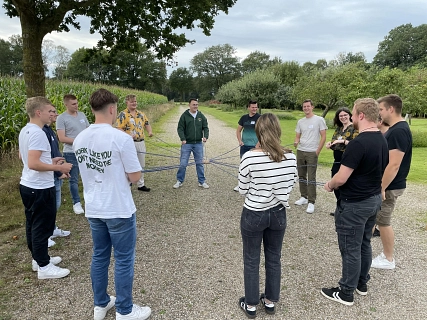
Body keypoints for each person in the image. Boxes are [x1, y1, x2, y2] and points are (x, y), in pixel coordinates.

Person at [73, 89, 151, 320]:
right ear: (112, 109)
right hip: (118, 208)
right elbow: (136, 177)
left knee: (100, 256)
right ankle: (125, 310)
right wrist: (127, 175)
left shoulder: (80, 139)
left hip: (94, 209)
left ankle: (101, 303)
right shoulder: (121, 138)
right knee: (124, 258)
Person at [321, 98, 388, 306]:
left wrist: (330, 185)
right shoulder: (381, 139)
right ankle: (361, 282)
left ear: (360, 115)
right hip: (373, 199)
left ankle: (346, 292)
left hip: (355, 203)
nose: (350, 116)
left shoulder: (358, 143)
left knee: (351, 248)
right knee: (364, 243)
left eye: (352, 113)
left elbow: (341, 178)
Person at [238, 113, 297, 318]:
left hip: (254, 213)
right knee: (274, 258)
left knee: (252, 259)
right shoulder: (291, 157)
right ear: (278, 130)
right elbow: (291, 183)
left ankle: (252, 304)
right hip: (278, 214)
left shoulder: (249, 157)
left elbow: (243, 188)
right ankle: (270, 301)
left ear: (258, 132)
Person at [19, 96, 72, 279]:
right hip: (39, 187)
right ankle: (44, 266)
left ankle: (38, 258)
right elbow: (33, 163)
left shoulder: (26, 130)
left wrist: (50, 161)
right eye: (49, 111)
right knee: (42, 226)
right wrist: (59, 167)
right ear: (38, 112)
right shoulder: (38, 133)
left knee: (33, 225)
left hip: (28, 184)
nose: (53, 115)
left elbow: (26, 159)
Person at [371, 94, 412, 270]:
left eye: (381, 109)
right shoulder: (395, 129)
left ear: (391, 109)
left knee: (383, 222)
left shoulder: (399, 130)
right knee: (378, 218)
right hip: (389, 184)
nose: (379, 113)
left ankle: (388, 259)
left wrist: (381, 187)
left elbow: (394, 164)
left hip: (390, 185)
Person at [42, 106, 71, 247]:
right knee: (48, 207)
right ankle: (44, 235)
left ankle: (52, 229)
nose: (55, 114)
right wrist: (58, 171)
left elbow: (54, 152)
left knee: (55, 205)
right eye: (52, 112)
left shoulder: (49, 130)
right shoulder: (41, 132)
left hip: (56, 171)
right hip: (50, 174)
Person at [56, 94, 90, 214]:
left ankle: (89, 201)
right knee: (74, 179)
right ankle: (76, 203)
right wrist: (79, 141)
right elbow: (62, 138)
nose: (76, 105)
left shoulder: (82, 115)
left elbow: (88, 129)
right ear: (66, 105)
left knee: (88, 176)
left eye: (77, 103)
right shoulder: (61, 118)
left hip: (85, 151)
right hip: (71, 152)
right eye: (73, 104)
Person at [293, 99, 327, 213]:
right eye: (304, 107)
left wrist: (317, 151)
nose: (306, 108)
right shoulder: (300, 122)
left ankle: (311, 202)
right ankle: (303, 196)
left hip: (312, 152)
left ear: (312, 107)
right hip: (301, 151)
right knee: (301, 175)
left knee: (311, 177)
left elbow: (323, 136)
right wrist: (296, 142)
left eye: (308, 106)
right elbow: (297, 136)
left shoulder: (319, 120)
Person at [115, 94, 153, 192]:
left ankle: (141, 184)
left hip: (140, 142)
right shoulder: (122, 114)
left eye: (135, 101)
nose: (134, 103)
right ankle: (127, 184)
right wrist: (127, 136)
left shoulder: (141, 114)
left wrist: (149, 132)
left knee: (141, 164)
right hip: (128, 143)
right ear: (127, 103)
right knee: (128, 164)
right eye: (132, 102)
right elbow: (118, 128)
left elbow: (147, 124)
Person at [325, 107, 358, 215]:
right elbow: (335, 142)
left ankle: (346, 210)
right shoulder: (339, 129)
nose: (343, 117)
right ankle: (340, 208)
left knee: (345, 184)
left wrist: (343, 141)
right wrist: (330, 144)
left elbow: (356, 144)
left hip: (347, 159)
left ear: (349, 115)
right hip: (337, 159)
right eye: (340, 116)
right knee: (335, 184)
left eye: (345, 115)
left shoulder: (354, 127)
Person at [173, 98, 210, 189]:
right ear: (189, 105)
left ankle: (201, 181)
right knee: (183, 163)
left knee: (199, 163)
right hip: (187, 144)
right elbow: (180, 128)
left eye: (196, 105)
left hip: (198, 143)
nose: (195, 106)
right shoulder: (184, 116)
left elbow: (205, 127)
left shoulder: (201, 116)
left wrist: (205, 136)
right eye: (193, 105)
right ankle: (179, 181)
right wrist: (183, 138)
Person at [234, 100, 261, 192]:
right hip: (244, 146)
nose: (254, 109)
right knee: (243, 166)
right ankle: (241, 185)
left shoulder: (260, 118)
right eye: (253, 107)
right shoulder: (244, 118)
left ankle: (254, 186)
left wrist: (258, 144)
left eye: (256, 107)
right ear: (248, 108)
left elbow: (263, 132)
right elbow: (238, 131)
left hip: (256, 147)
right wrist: (240, 141)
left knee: (255, 167)